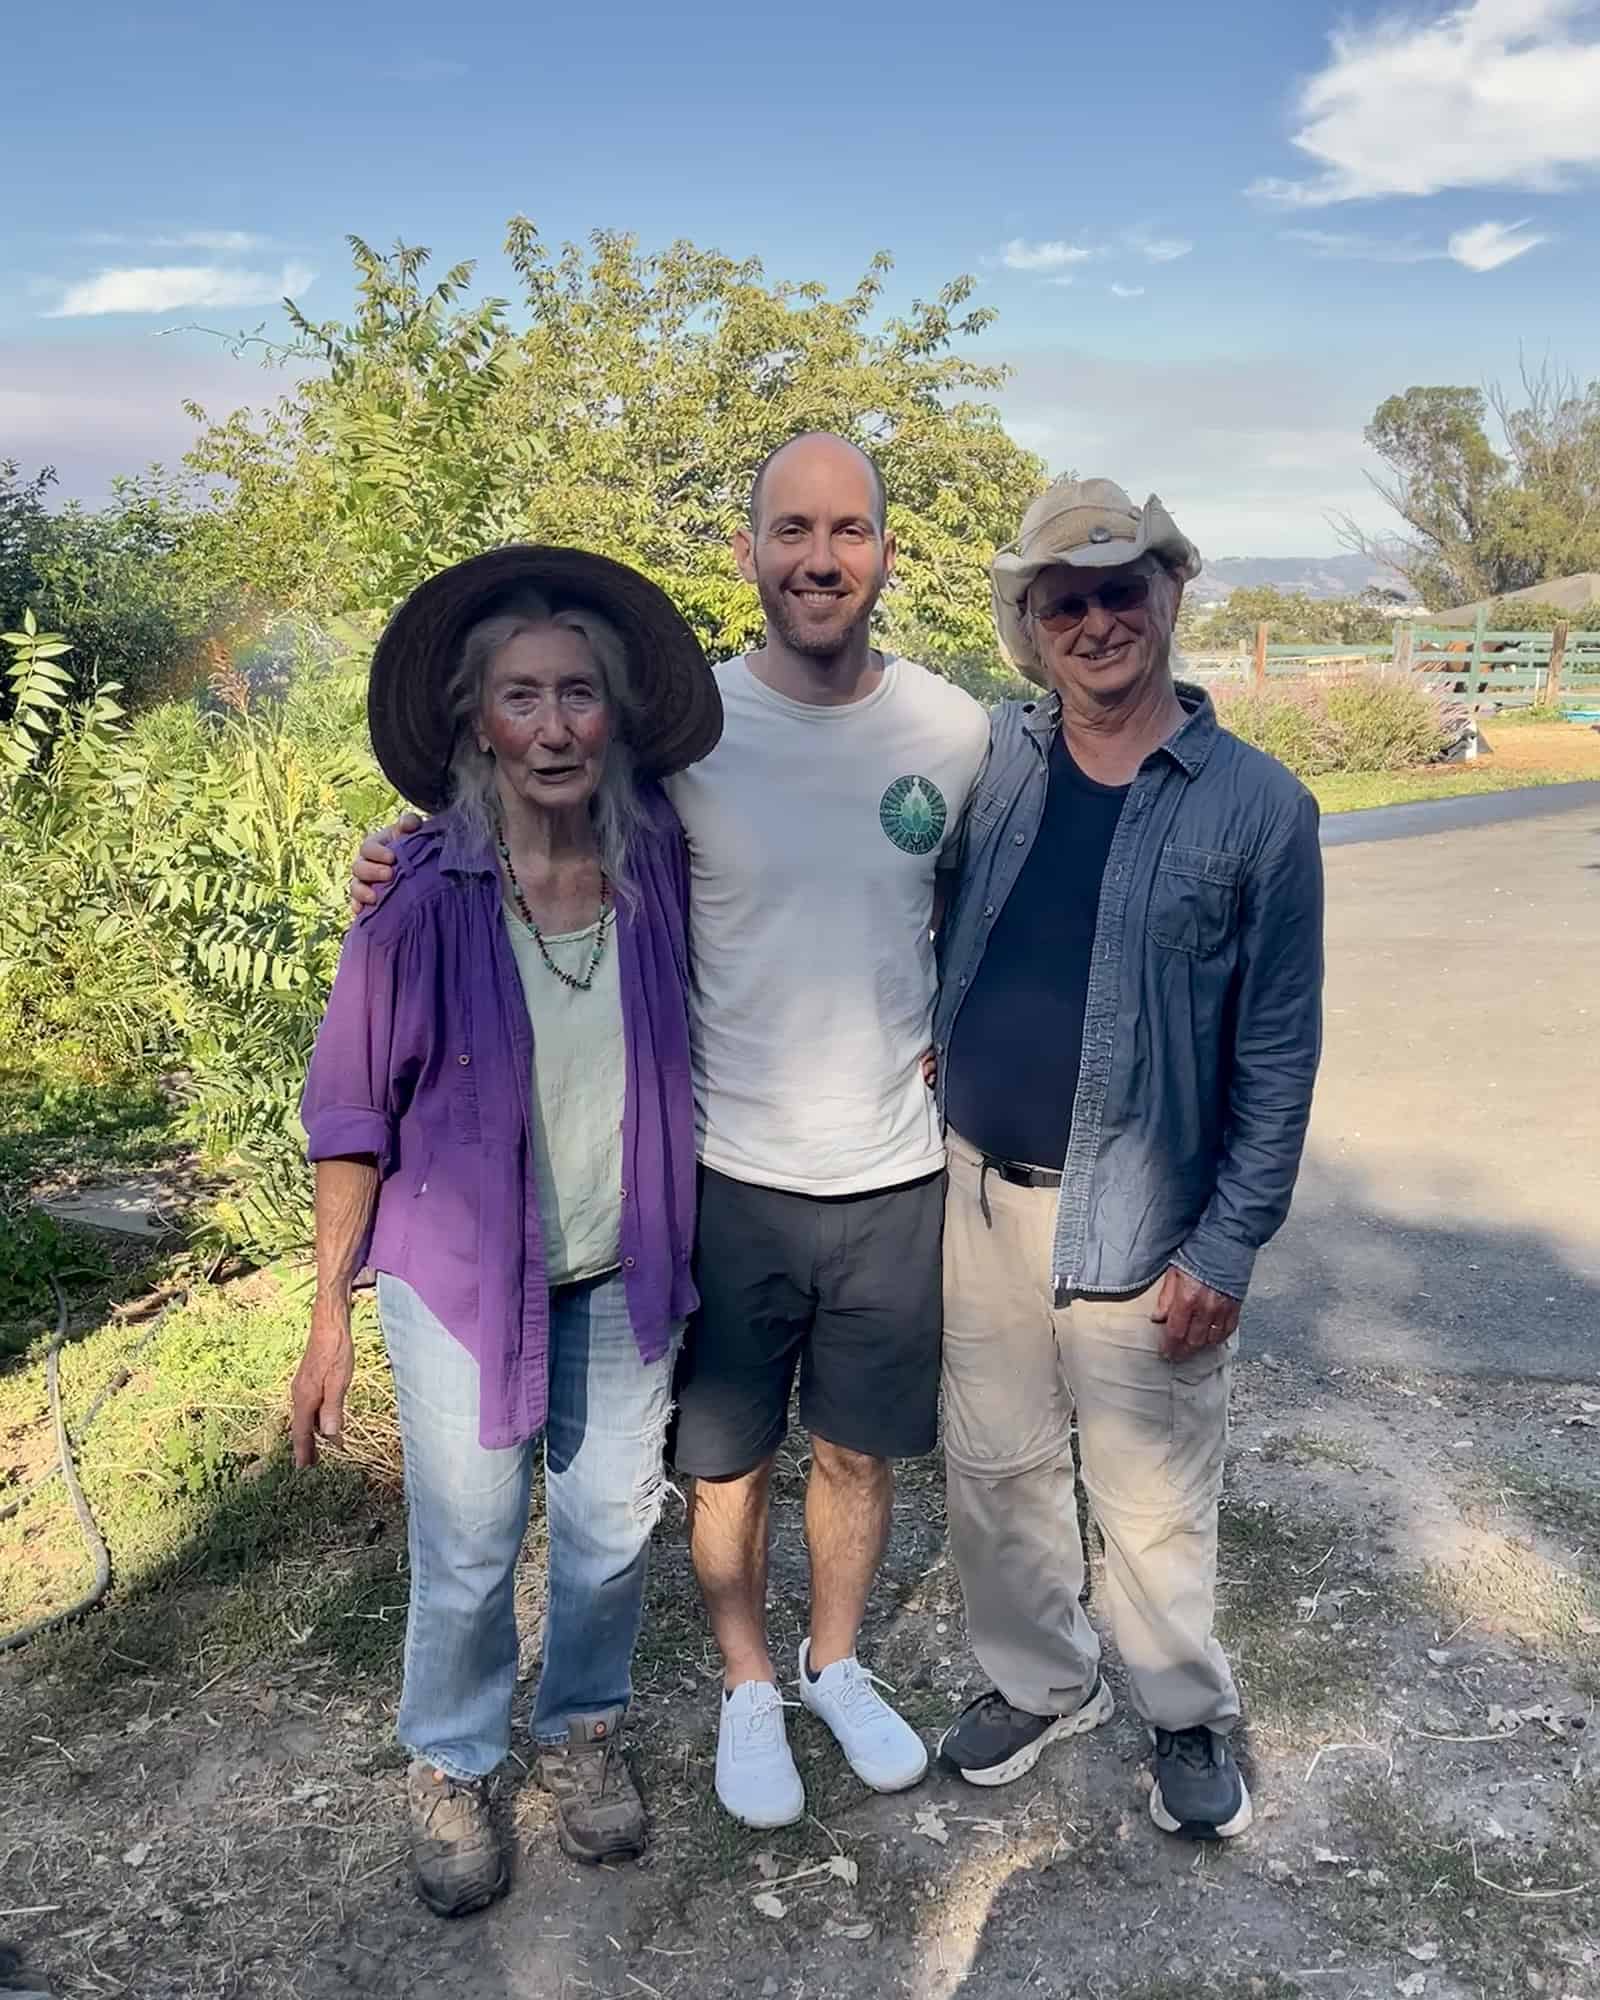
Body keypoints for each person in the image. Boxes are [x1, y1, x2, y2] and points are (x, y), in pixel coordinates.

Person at [355, 435, 990, 1832]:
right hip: (720, 1173)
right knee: (718, 1459)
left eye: (849, 531)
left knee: (850, 1453)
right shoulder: (687, 742)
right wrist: (398, 853)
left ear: (888, 550)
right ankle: (743, 1685)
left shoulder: (957, 733)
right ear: (750, 550)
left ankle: (831, 1662)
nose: (820, 558)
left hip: (893, 1168)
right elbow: (525, 793)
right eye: (791, 530)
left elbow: (995, 898)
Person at [294, 546, 721, 1914]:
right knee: (472, 1543)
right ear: (477, 722)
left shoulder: (663, 887)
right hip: (463, 1287)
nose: (553, 727)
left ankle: (584, 1732)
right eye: (521, 697)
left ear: (615, 721)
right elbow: (350, 1115)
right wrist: (325, 1324)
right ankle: (455, 1760)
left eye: (581, 695)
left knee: (606, 1527)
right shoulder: (417, 901)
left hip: (622, 1271)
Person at [930, 478, 1325, 1839]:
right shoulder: (993, 761)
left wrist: (1229, 1243)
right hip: (978, 1193)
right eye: (1066, 600)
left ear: (1169, 598)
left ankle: (1177, 1708)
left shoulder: (1261, 810)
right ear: (1030, 624)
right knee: (996, 1468)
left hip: (1148, 1219)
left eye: (1121, 590)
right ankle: (1041, 1681)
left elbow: (1278, 1051)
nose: (1097, 621)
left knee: (1152, 1501)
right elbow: (873, 874)